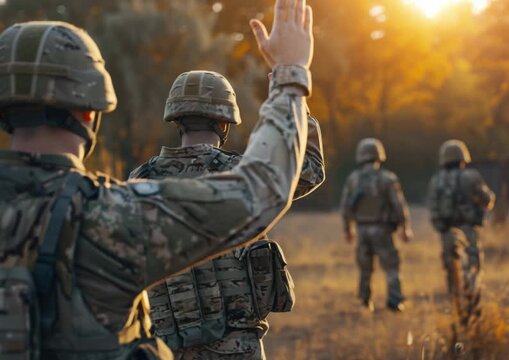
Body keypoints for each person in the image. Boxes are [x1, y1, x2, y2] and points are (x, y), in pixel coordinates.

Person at [0, 0, 314, 357]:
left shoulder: (135, 182)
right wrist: (290, 76)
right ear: (90, 111)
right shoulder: (112, 218)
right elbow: (263, 188)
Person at [128, 69, 324, 360]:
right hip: (236, 346)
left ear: (177, 119)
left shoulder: (139, 181)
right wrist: (294, 102)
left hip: (165, 348)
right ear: (224, 122)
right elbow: (309, 169)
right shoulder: (242, 175)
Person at [340, 138, 413, 312]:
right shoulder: (387, 179)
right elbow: (398, 205)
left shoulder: (353, 179)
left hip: (362, 229)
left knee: (365, 269)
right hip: (383, 230)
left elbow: (345, 207)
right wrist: (405, 228)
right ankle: (394, 302)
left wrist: (348, 229)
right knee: (391, 267)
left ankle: (365, 302)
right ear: (379, 156)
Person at [426, 139, 495, 325]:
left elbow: (432, 207)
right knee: (472, 269)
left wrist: (440, 228)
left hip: (447, 232)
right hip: (467, 230)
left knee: (451, 270)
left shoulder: (436, 180)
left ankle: (455, 309)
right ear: (462, 158)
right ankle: (472, 309)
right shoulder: (471, 176)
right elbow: (488, 199)